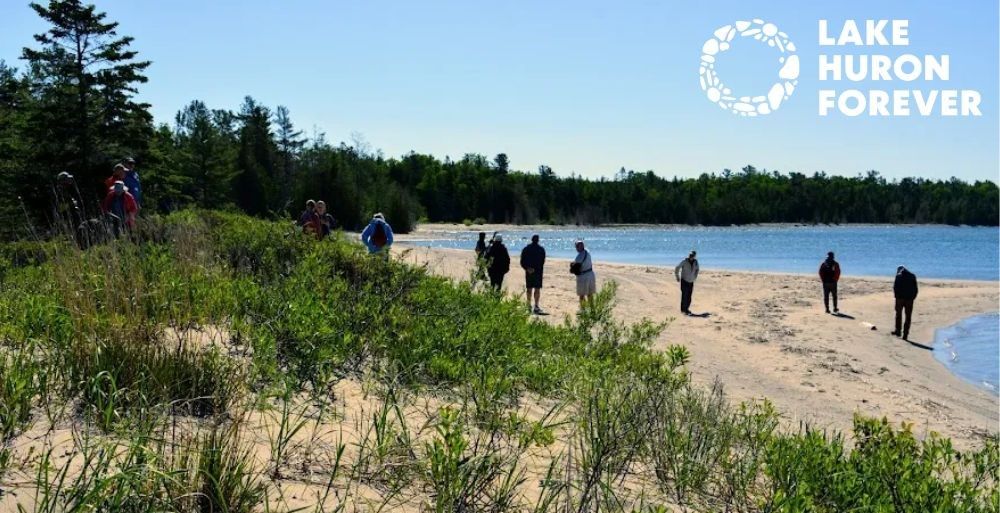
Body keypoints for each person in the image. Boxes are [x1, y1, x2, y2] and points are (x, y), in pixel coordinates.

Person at [520, 234, 546, 313]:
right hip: (538, 272)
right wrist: (534, 269)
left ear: (532, 240)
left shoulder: (526, 249)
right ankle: (536, 306)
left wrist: (527, 268)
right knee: (537, 289)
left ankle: (528, 305)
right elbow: (542, 262)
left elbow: (522, 261)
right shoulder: (541, 249)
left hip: (529, 272)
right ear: (538, 240)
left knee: (529, 289)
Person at [892, 265, 919, 340]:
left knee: (898, 314)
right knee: (908, 316)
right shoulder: (912, 276)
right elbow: (915, 289)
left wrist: (896, 296)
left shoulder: (898, 276)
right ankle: (905, 334)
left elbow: (895, 287)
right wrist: (913, 297)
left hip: (900, 298)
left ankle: (898, 331)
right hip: (909, 299)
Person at [674, 250, 700, 315]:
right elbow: (677, 268)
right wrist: (677, 276)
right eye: (690, 255)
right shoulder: (684, 261)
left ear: (694, 256)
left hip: (691, 281)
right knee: (684, 296)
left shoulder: (696, 262)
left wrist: (695, 277)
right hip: (684, 281)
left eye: (692, 255)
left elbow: (697, 269)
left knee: (689, 297)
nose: (691, 256)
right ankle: (683, 310)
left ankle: (686, 309)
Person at [572, 239, 596, 306]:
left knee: (581, 295)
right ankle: (591, 308)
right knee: (590, 294)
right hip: (591, 274)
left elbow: (575, 268)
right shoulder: (587, 252)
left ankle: (583, 310)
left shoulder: (579, 257)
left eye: (577, 246)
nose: (576, 248)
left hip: (583, 276)